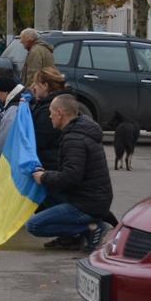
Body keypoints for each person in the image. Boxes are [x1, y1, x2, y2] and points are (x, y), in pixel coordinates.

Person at [27, 93, 114, 251]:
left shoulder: (74, 139)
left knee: (34, 225)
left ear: (59, 114)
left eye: (51, 112)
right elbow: (73, 171)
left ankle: (92, 228)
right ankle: (81, 234)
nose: (49, 116)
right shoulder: (79, 130)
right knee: (45, 193)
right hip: (90, 198)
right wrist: (45, 174)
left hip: (87, 203)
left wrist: (44, 177)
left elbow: (71, 176)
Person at [28, 67, 67, 172]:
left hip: (49, 165)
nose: (34, 87)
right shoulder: (56, 103)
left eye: (36, 84)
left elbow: (39, 140)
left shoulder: (49, 110)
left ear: (45, 86)